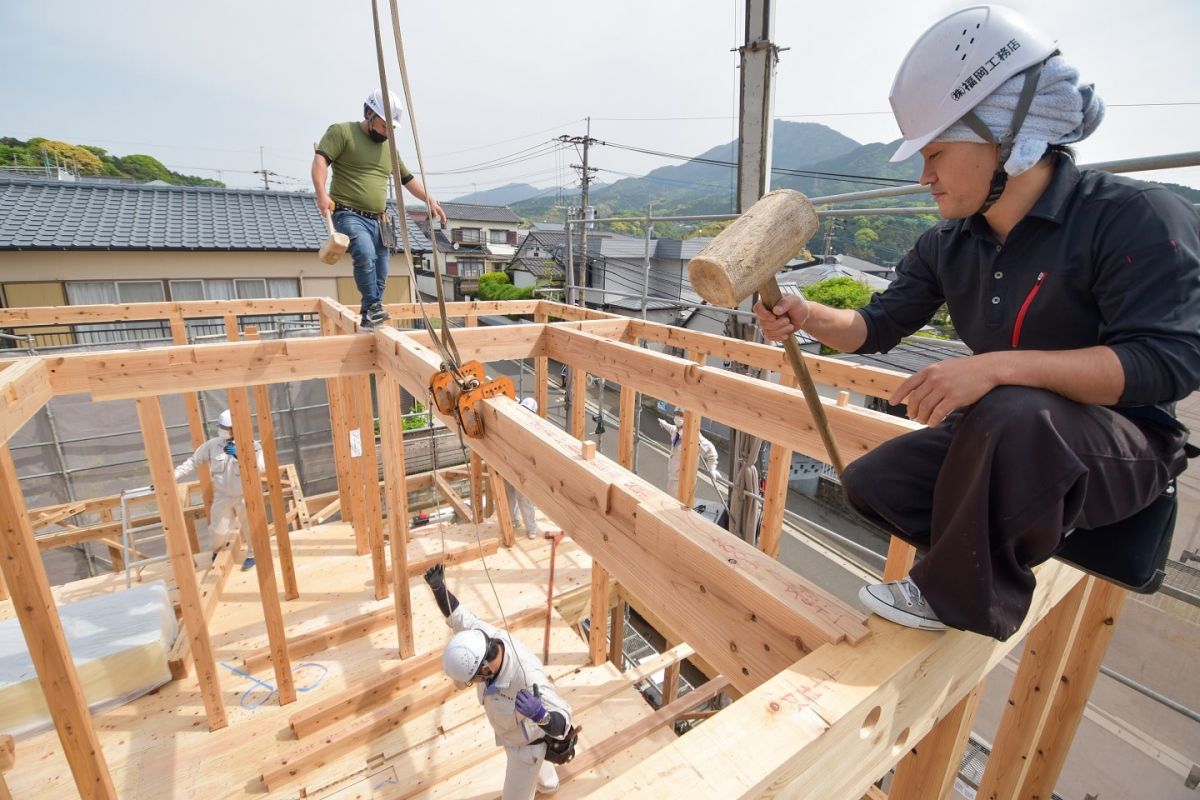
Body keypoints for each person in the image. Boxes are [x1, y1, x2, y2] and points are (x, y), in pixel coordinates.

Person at [755, 5, 1199, 640]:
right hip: (1006, 439)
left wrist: (994, 369)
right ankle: (1019, 529)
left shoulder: (1133, 216)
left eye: (936, 151)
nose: (924, 174)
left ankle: (960, 596)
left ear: (1009, 134)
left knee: (1008, 410)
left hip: (1123, 448)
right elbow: (875, 326)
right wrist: (805, 314)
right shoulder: (951, 243)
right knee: (873, 485)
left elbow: (1168, 363)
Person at [423, 564, 575, 799]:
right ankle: (549, 785)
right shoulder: (480, 638)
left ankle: (543, 780)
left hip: (526, 747)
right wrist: (438, 588)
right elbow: (457, 613)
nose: (473, 683)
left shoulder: (526, 677)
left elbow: (563, 722)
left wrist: (541, 716)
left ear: (484, 668)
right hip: (514, 732)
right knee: (543, 770)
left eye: (473, 679)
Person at [311, 89, 447, 329]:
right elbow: (321, 160)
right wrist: (322, 193)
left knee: (382, 270)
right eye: (384, 126)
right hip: (348, 213)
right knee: (364, 253)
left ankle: (369, 313)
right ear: (368, 114)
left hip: (381, 220)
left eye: (391, 128)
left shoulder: (390, 149)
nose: (387, 133)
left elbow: (407, 179)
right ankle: (373, 307)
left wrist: (430, 200)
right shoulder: (342, 132)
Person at [173, 410, 265, 571]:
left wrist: (242, 456)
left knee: (250, 527)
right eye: (221, 426)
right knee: (218, 530)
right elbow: (193, 462)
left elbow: (261, 468)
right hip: (222, 496)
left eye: (226, 427)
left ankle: (253, 554)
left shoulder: (253, 445)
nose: (222, 429)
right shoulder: (213, 445)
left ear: (236, 428)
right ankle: (217, 551)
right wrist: (172, 476)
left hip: (245, 495)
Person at [658, 407, 720, 500]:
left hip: (683, 480)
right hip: (672, 476)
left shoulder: (693, 435)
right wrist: (663, 423)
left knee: (678, 506)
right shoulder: (676, 430)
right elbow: (670, 428)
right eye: (676, 414)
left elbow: (710, 450)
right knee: (670, 501)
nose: (678, 417)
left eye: (681, 415)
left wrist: (712, 468)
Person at [506, 397, 542, 539]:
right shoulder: (511, 421)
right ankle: (517, 522)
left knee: (523, 499)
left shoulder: (533, 429)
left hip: (521, 469)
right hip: (509, 463)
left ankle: (531, 528)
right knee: (512, 496)